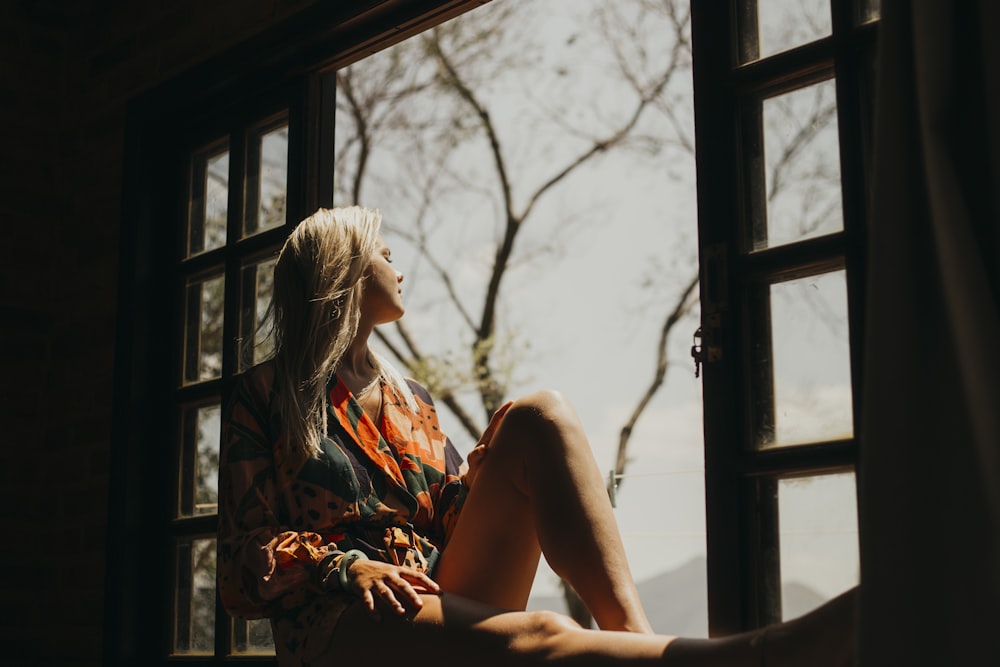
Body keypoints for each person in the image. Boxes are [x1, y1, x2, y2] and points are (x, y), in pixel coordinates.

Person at [218, 206, 856, 666]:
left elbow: (444, 522)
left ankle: (638, 638)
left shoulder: (411, 400)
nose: (397, 266)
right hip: (342, 619)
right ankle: (770, 655)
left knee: (540, 414)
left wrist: (491, 470)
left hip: (437, 591)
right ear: (345, 272)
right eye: (383, 254)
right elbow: (241, 558)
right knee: (543, 632)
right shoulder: (267, 393)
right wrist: (344, 568)